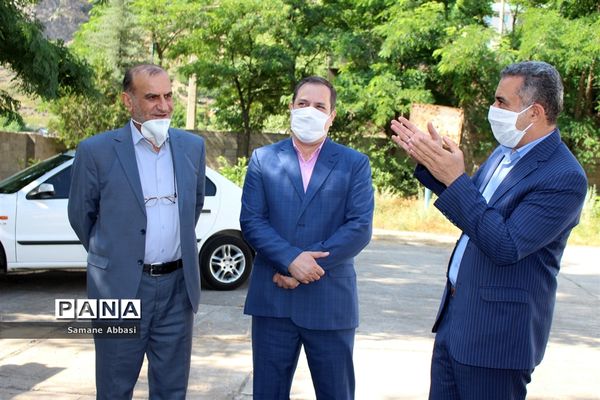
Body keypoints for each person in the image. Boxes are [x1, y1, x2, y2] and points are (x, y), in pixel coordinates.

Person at [390, 61, 587, 399]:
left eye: (501, 102)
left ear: (535, 112)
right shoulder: (504, 153)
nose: (492, 109)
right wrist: (435, 164)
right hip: (456, 322)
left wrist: (455, 179)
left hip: (497, 340)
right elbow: (475, 214)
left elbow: (505, 245)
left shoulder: (564, 177)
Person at [68, 64, 206, 400]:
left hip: (177, 290)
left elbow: (193, 207)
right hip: (119, 290)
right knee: (114, 388)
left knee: (172, 390)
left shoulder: (192, 147)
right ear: (128, 101)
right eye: (152, 97)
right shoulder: (96, 151)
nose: (164, 106)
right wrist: (117, 257)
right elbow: (81, 217)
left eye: (168, 96)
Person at [240, 76, 374, 399]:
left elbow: (359, 227)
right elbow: (252, 221)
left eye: (319, 106)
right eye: (303, 104)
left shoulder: (354, 164)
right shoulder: (263, 159)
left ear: (332, 116)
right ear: (291, 108)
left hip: (330, 302)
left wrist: (304, 268)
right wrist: (290, 261)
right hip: (273, 301)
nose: (309, 111)